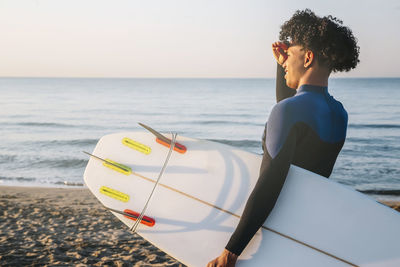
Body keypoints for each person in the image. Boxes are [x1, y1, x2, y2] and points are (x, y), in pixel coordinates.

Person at [207, 9, 360, 267]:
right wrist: (283, 66)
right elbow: (292, 110)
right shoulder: (339, 113)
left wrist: (231, 251)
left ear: (308, 57)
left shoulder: (289, 112)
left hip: (272, 228)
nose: (285, 61)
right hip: (303, 229)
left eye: (290, 55)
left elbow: (271, 182)